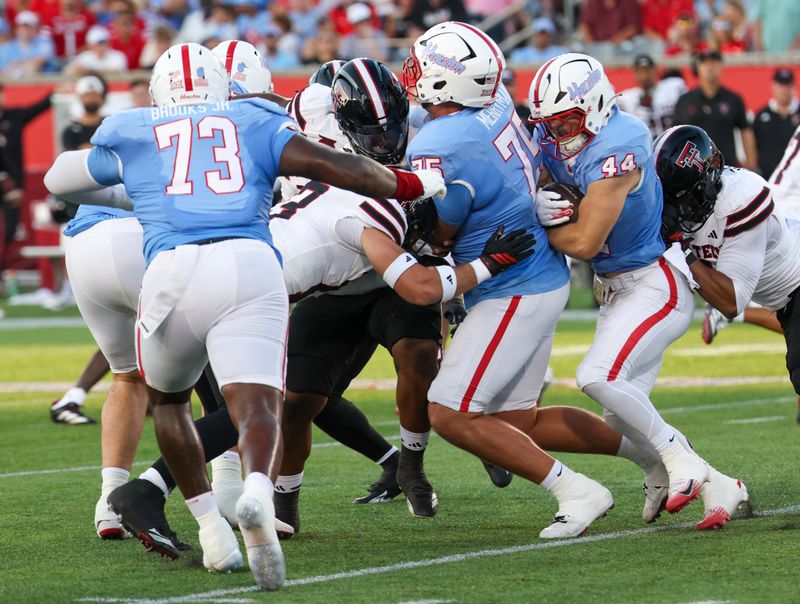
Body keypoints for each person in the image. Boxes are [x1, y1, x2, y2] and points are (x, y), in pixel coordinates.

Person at [44, 43, 445, 590]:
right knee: (260, 401)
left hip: (169, 270)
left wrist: (143, 184)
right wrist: (416, 184)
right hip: (251, 262)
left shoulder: (136, 129)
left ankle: (210, 525)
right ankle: (257, 488)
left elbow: (59, 180)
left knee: (167, 402)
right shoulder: (258, 120)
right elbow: (352, 172)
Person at [404, 23, 638, 539]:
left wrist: (425, 236)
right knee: (518, 419)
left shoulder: (438, 140)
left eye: (423, 65)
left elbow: (442, 232)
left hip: (511, 285)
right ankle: (658, 453)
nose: (414, 74)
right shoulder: (497, 102)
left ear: (445, 81)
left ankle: (575, 490)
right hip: (537, 273)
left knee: (448, 412)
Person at [530, 53, 745, 530]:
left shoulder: (621, 140)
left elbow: (585, 241)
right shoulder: (554, 139)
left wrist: (535, 221)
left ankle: (679, 458)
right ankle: (716, 482)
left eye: (566, 120)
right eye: (548, 123)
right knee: (621, 415)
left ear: (596, 105)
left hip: (653, 281)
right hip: (616, 289)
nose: (556, 133)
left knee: (595, 375)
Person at [656, 124, 800, 433]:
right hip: (783, 300)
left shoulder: (741, 196)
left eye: (685, 198)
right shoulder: (673, 204)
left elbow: (732, 301)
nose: (679, 209)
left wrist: (681, 249)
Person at [672, 49, 757, 171]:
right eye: (705, 63)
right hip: (692, 170)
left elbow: (746, 131)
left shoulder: (733, 99)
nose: (710, 67)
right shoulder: (685, 100)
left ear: (721, 66)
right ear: (697, 67)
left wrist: (752, 165)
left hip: (727, 168)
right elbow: (676, 134)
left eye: (714, 62)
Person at [617, 54, 687, 138]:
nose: (645, 75)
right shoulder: (626, 98)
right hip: (646, 144)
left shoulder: (673, 87)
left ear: (655, 70)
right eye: (640, 71)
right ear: (635, 73)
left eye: (647, 70)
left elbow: (686, 111)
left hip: (673, 139)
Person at [753, 68, 800, 179]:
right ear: (773, 87)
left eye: (787, 85)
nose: (784, 90)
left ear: (794, 87)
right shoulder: (761, 116)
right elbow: (753, 145)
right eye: (780, 85)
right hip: (767, 177)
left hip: (796, 180)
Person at [0, 11, 55, 78]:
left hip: (41, 85)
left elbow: (37, 63)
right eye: (23, 27)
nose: (25, 31)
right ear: (17, 28)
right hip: (12, 86)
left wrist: (18, 65)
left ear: (35, 29)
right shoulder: (6, 48)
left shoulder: (44, 43)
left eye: (29, 27)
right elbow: (4, 70)